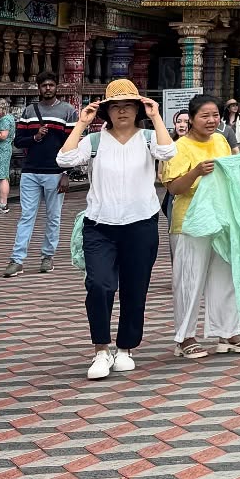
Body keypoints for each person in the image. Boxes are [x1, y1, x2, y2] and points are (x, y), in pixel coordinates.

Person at [57, 82, 176, 379]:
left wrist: (156, 116)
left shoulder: (149, 138)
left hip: (141, 224)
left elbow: (168, 152)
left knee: (135, 288)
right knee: (99, 284)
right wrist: (81, 124)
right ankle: (101, 349)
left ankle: (125, 348)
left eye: (128, 105)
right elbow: (64, 159)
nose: (122, 111)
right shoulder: (95, 141)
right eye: (115, 106)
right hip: (100, 225)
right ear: (107, 111)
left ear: (138, 109)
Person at [162, 94, 240, 360]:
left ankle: (229, 333)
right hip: (189, 222)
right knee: (189, 280)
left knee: (225, 276)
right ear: (191, 119)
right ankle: (185, 337)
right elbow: (173, 188)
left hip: (220, 218)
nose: (211, 120)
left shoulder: (220, 141)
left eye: (215, 115)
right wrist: (195, 172)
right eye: (205, 116)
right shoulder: (180, 147)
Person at [7, 73, 77, 276]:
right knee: (26, 216)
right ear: (38, 88)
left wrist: (66, 172)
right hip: (30, 171)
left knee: (53, 217)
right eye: (44, 85)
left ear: (56, 87)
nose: (48, 88)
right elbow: (18, 140)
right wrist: (35, 137)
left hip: (55, 172)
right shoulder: (29, 111)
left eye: (51, 85)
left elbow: (72, 144)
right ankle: (17, 260)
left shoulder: (68, 111)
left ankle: (47, 256)